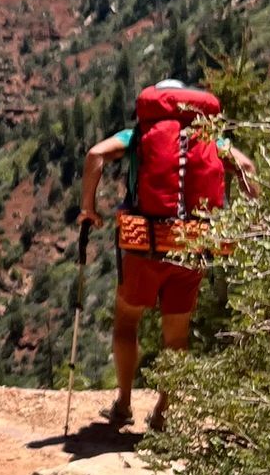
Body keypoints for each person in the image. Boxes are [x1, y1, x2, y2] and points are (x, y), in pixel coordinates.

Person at [79, 78, 258, 428]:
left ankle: (124, 405)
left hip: (145, 245)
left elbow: (95, 155)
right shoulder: (208, 140)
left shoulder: (139, 135)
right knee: (176, 335)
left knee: (127, 321)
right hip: (191, 247)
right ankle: (163, 413)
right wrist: (251, 219)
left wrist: (88, 207)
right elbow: (247, 168)